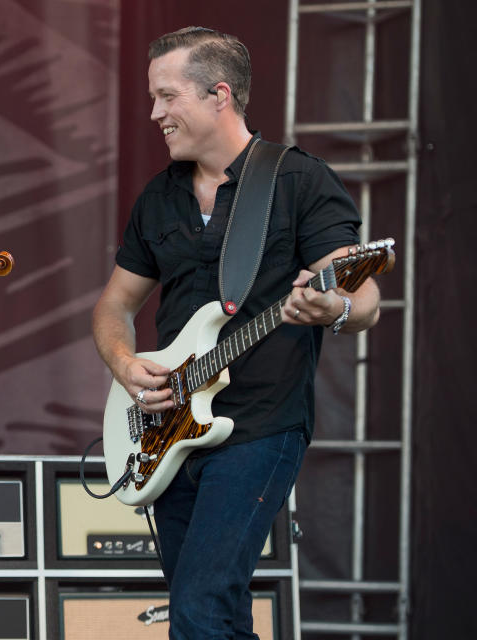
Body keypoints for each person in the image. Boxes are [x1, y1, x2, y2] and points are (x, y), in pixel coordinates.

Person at [91, 27, 381, 639]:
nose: (154, 114)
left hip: (258, 427)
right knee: (213, 615)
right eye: (152, 98)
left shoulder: (298, 180)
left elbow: (365, 297)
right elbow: (114, 307)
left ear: (219, 94)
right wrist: (124, 364)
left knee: (199, 609)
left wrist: (334, 309)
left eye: (167, 97)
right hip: (167, 432)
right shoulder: (158, 199)